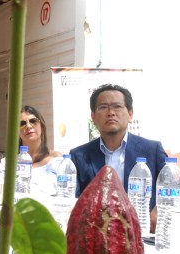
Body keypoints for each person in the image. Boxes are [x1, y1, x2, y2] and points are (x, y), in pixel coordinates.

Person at [69, 84, 168, 216]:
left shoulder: (152, 150)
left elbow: (173, 189)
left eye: (117, 106)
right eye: (103, 107)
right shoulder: (79, 155)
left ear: (130, 114)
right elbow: (71, 201)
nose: (111, 113)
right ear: (93, 117)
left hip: (143, 230)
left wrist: (159, 210)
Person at [0, 105, 63, 198]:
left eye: (33, 121)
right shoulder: (7, 164)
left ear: (42, 126)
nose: (28, 126)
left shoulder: (58, 160)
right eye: (22, 123)